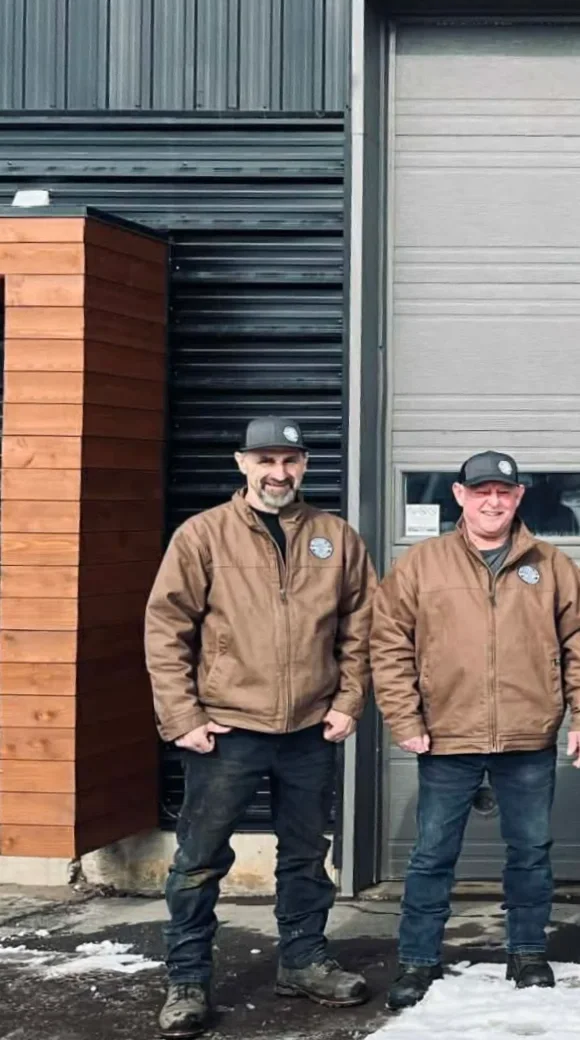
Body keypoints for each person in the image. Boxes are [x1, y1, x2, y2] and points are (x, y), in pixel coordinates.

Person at [143, 417, 376, 1038]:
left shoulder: (335, 537)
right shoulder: (203, 535)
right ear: (242, 464)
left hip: (308, 729)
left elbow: (361, 629)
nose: (280, 474)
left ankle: (302, 961)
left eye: (291, 461)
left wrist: (348, 701)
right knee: (198, 861)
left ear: (303, 465)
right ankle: (187, 979)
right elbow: (166, 629)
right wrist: (182, 717)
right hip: (228, 731)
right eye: (267, 461)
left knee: (306, 855)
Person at [369, 451, 580, 1011]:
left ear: (519, 497)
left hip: (527, 737)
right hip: (446, 736)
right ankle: (419, 959)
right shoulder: (423, 565)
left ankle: (526, 952)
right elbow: (388, 643)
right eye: (482, 492)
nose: (493, 501)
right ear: (460, 496)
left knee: (530, 852)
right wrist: (404, 717)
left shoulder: (550, 566)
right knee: (431, 855)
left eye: (503, 492)